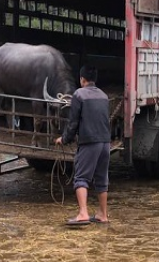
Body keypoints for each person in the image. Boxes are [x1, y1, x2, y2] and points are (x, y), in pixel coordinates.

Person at [54, 66, 110, 225]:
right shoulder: (104, 96)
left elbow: (73, 123)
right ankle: (103, 214)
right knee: (101, 178)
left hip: (89, 142)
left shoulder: (79, 95)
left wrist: (64, 139)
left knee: (81, 177)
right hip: (105, 143)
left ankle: (83, 213)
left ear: (82, 79)